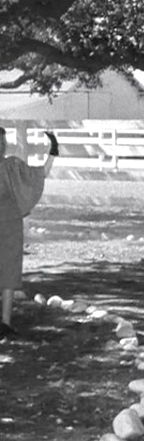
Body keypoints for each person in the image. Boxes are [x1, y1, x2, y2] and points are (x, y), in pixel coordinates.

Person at [0, 128, 58, 338]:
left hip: (9, 227)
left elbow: (38, 175)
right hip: (8, 225)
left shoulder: (12, 166)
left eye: (3, 142)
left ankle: (5, 323)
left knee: (8, 275)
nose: (1, 146)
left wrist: (53, 152)